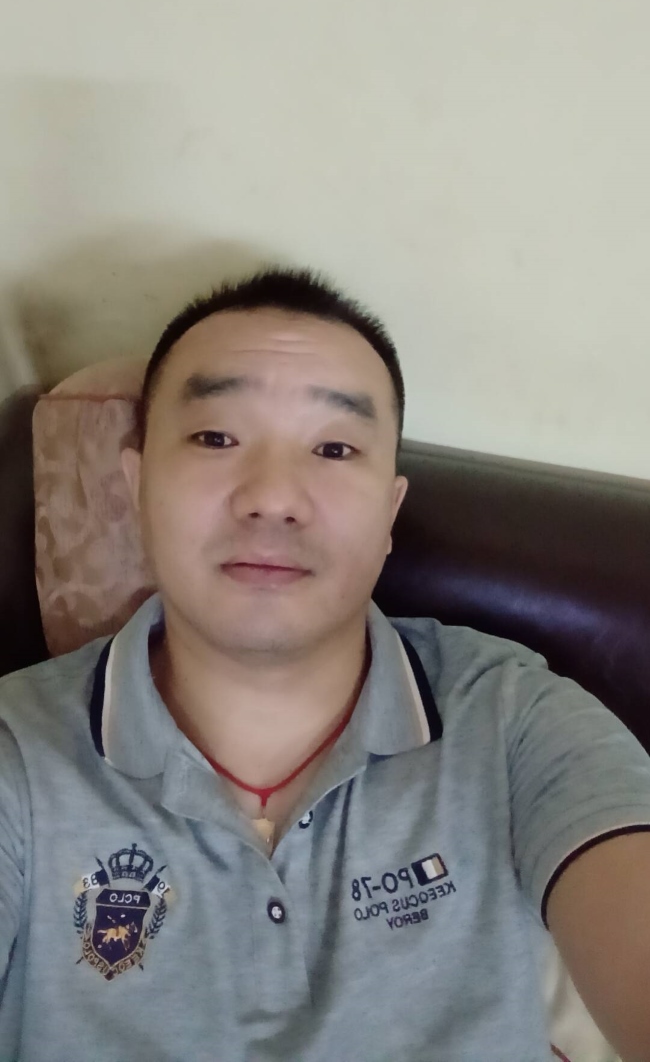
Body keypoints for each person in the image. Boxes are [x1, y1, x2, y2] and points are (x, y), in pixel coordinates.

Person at [1, 268, 650, 1062]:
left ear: (389, 512)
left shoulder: (514, 719)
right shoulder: (17, 749)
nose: (273, 497)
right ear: (135, 488)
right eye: (215, 438)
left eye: (335, 448)